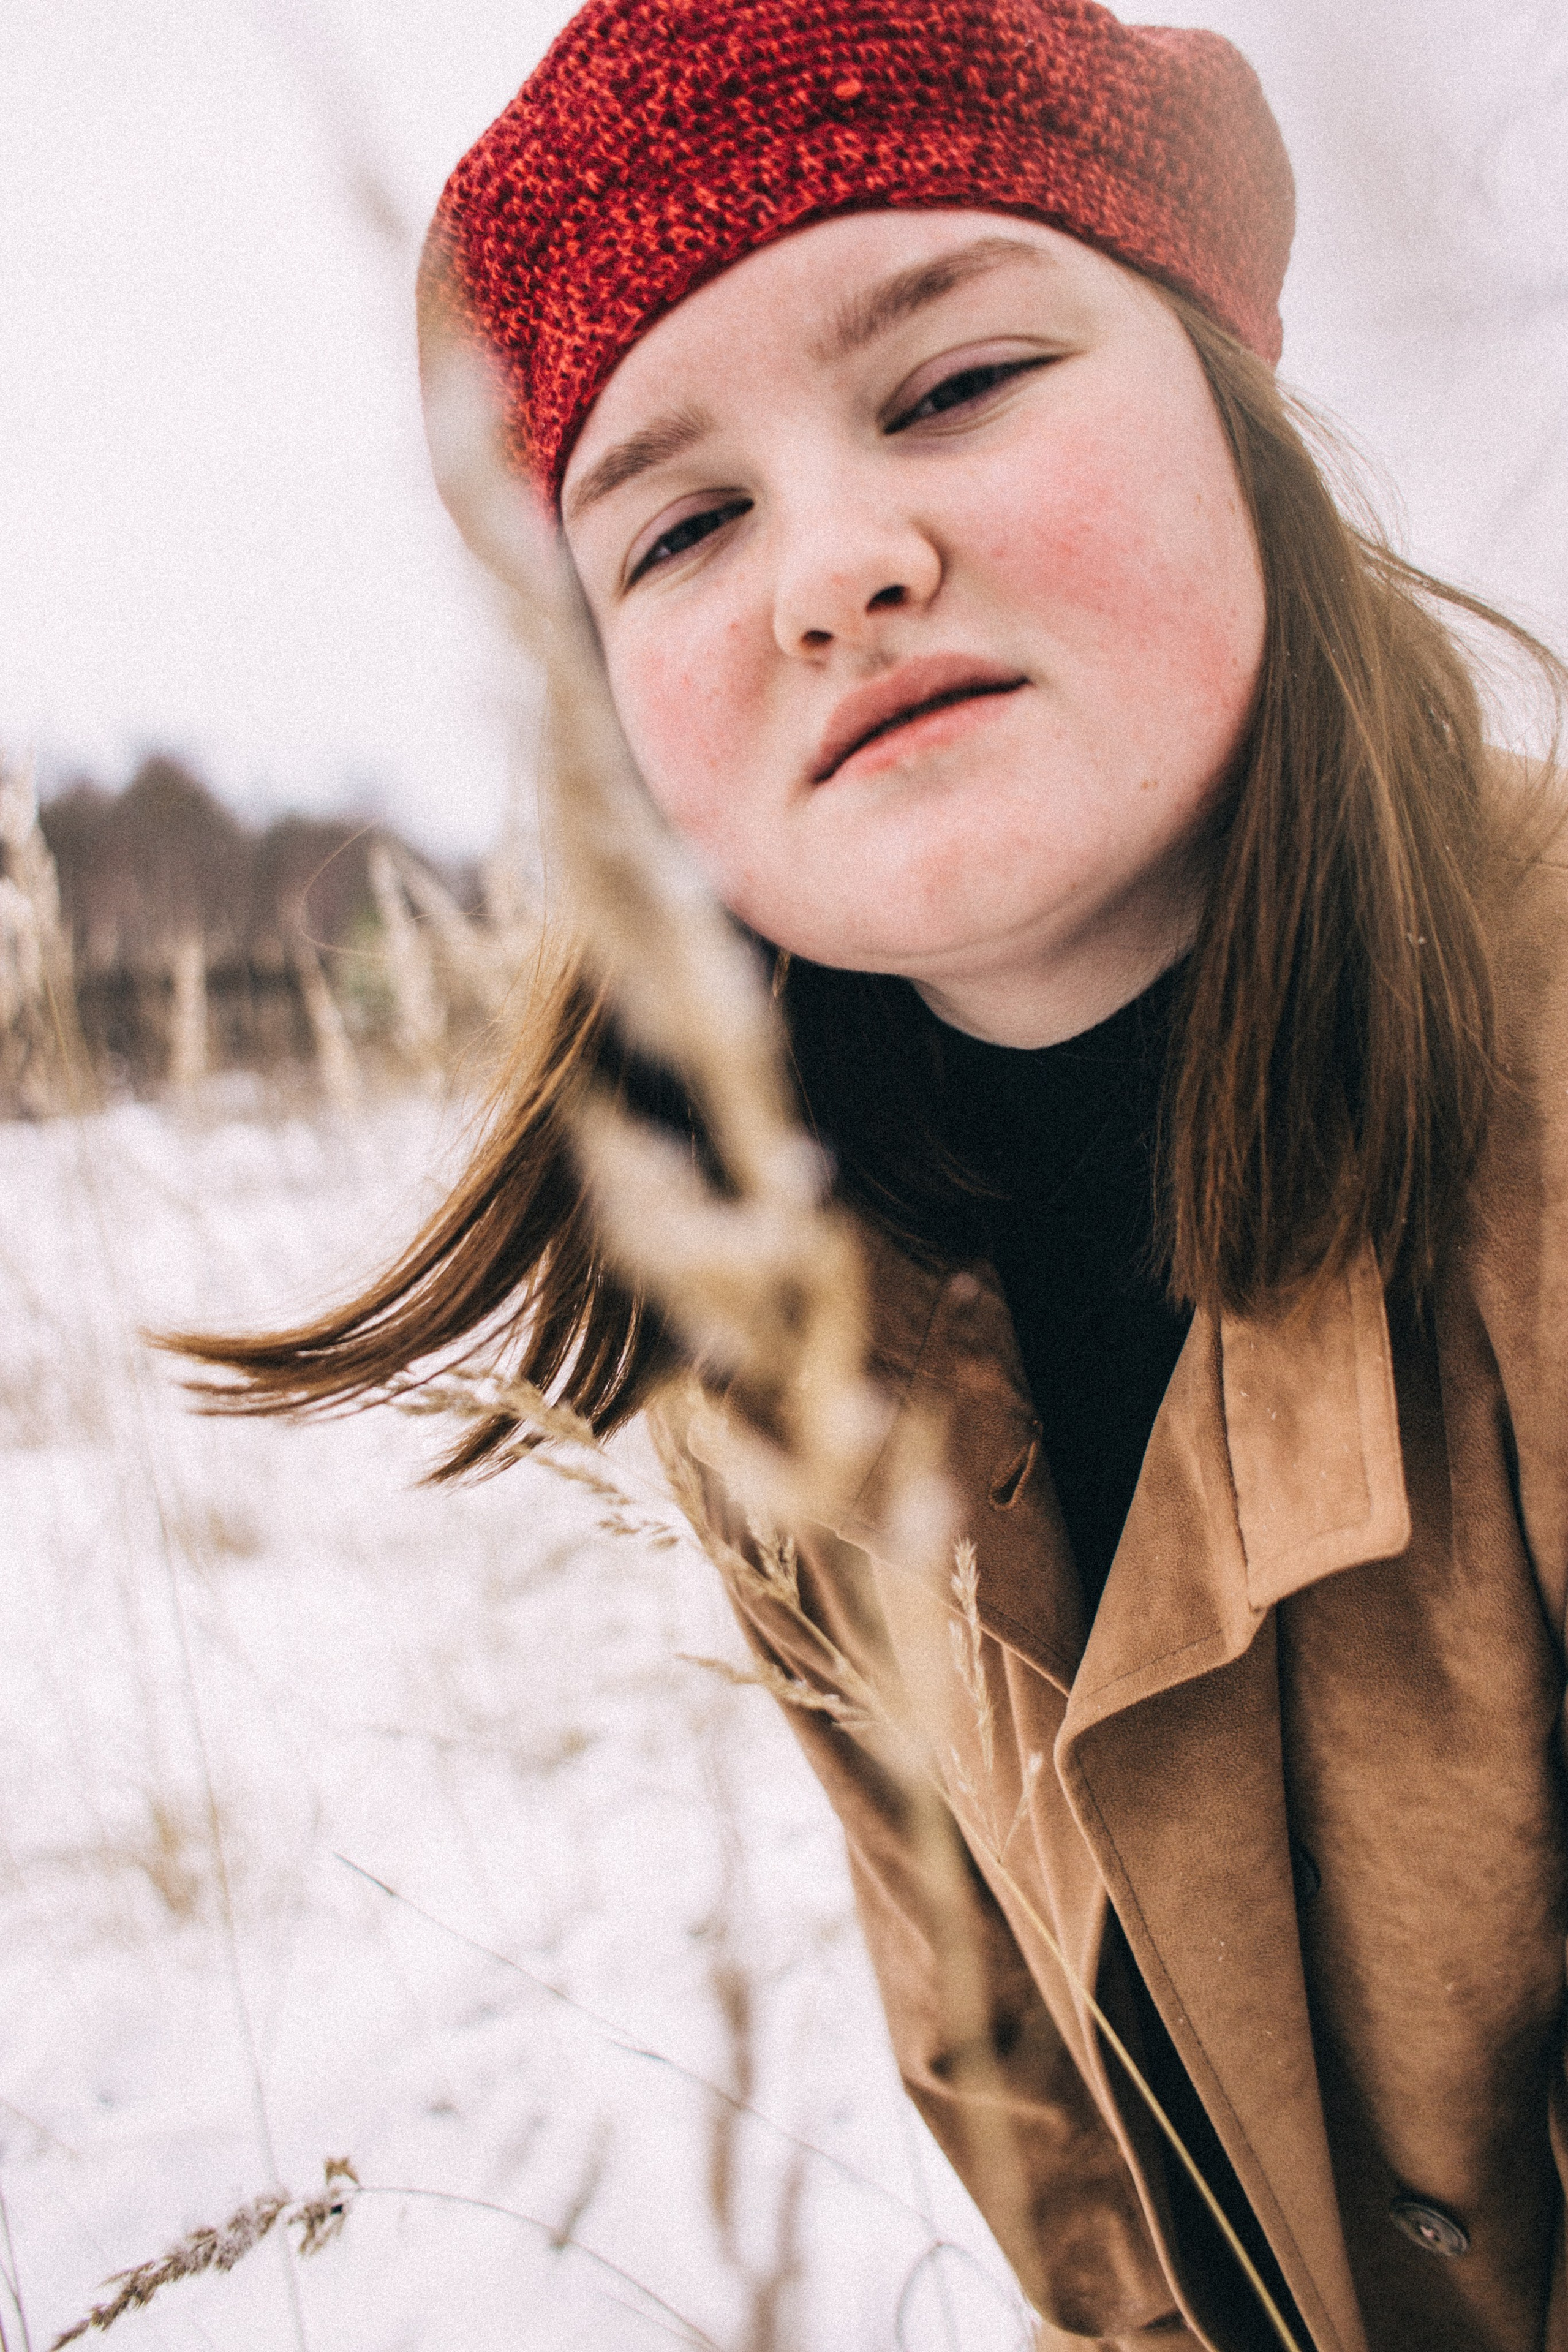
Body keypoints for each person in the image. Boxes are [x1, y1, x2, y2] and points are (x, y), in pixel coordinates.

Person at [181, 1, 1568, 2344]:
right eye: (683, 526)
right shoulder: (783, 1320)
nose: (835, 565)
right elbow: (1047, 2123)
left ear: (1245, 427)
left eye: (955, 385)